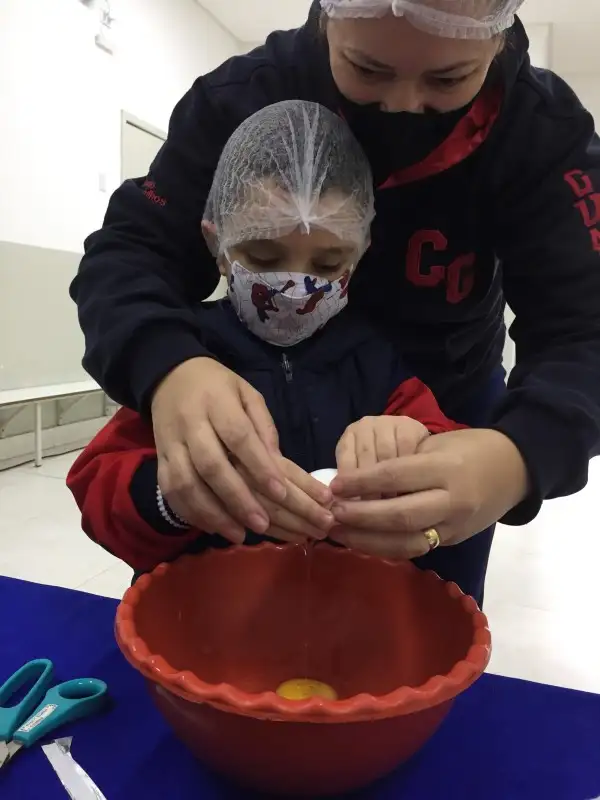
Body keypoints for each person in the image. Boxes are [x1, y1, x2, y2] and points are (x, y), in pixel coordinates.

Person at [71, 0, 600, 605]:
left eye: (448, 78)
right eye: (368, 68)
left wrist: (515, 458)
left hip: (444, 411)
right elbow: (133, 250)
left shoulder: (543, 133)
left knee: (418, 616)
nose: (403, 105)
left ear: (496, 43)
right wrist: (169, 367)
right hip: (241, 378)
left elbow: (585, 328)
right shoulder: (241, 97)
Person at [67, 100, 466, 576]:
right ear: (218, 246)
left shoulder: (375, 360)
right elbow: (98, 488)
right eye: (262, 257)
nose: (295, 288)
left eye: (327, 264)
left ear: (359, 256)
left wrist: (413, 442)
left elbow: (449, 456)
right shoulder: (185, 357)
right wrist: (174, 495)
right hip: (201, 602)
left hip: (343, 602)